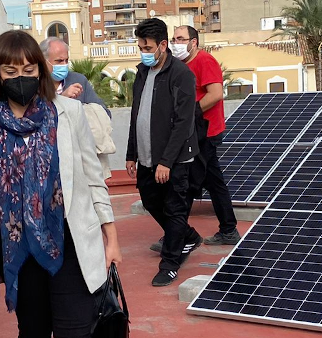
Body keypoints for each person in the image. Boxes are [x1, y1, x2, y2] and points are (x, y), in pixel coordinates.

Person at [0, 30, 121, 338]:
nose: (21, 77)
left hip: (71, 241)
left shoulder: (70, 113)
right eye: (10, 71)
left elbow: (93, 178)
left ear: (40, 70)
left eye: (29, 70)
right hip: (19, 250)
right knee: (33, 331)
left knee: (77, 330)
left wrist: (111, 238)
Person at [127, 18, 204, 287]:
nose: (144, 52)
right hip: (147, 157)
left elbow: (184, 122)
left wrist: (166, 161)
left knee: (174, 209)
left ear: (162, 44)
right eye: (140, 47)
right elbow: (136, 115)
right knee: (151, 202)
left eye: (147, 47)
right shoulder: (141, 73)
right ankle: (188, 236)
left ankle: (170, 264)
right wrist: (130, 153)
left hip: (175, 160)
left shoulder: (181, 74)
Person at [175, 25, 241, 246]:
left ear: (193, 42)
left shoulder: (204, 61)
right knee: (206, 182)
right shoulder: (181, 64)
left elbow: (215, 94)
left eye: (181, 38)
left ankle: (179, 235)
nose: (176, 42)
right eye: (174, 38)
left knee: (195, 183)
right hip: (192, 131)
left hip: (206, 131)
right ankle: (226, 229)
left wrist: (190, 114)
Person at [40, 37, 116, 177]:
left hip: (84, 159)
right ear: (44, 61)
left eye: (66, 60)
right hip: (52, 161)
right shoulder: (35, 86)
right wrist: (63, 99)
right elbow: (36, 118)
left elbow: (104, 112)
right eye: (58, 61)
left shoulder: (79, 80)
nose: (64, 65)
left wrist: (80, 109)